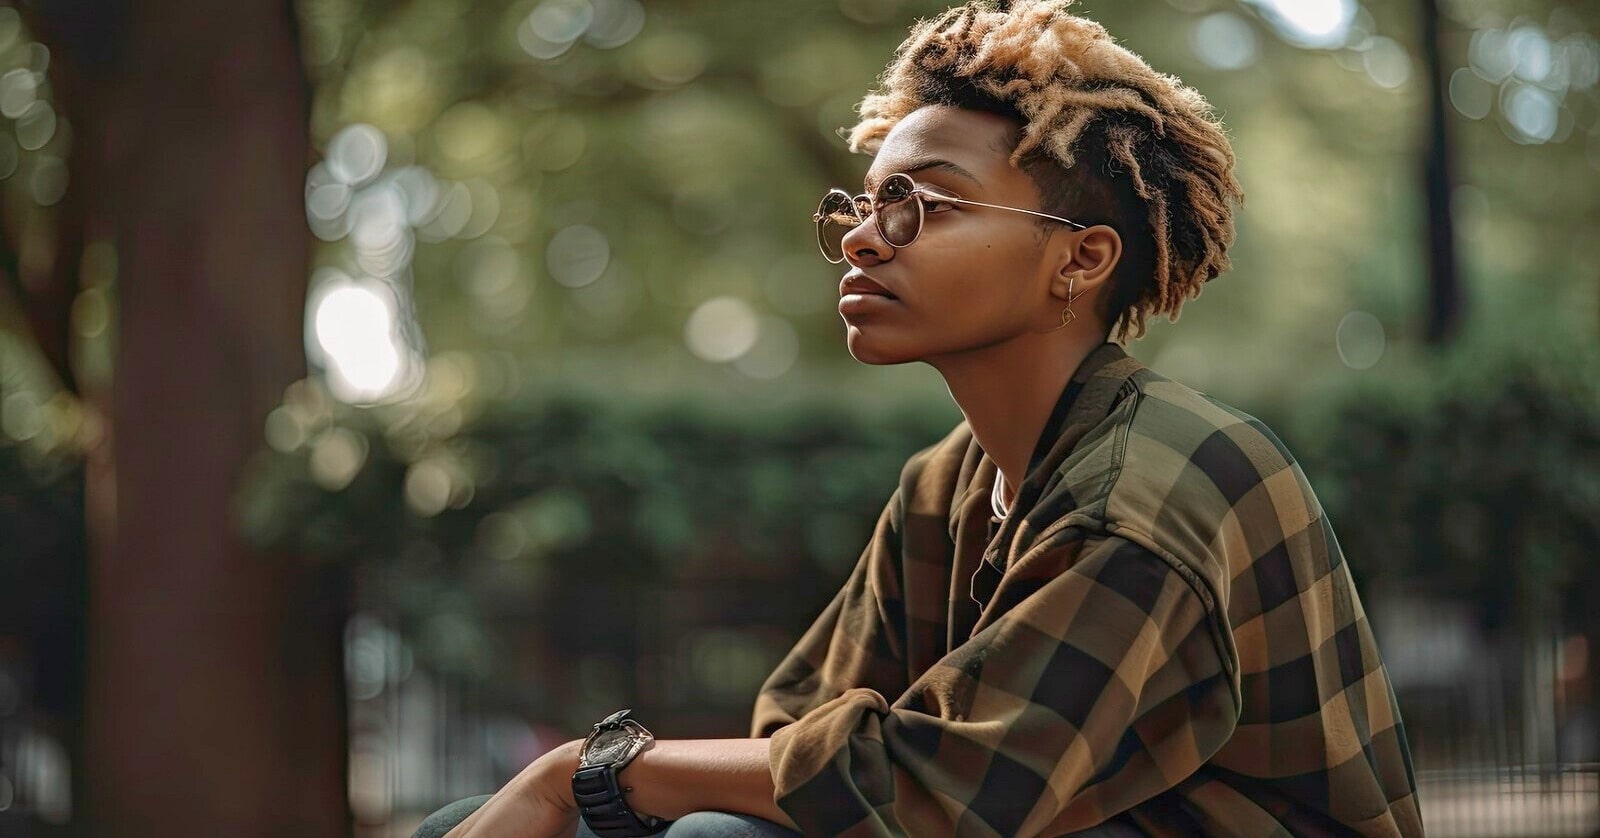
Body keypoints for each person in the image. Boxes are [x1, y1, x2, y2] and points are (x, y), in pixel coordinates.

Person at [416, 0, 1425, 835]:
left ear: (1079, 259)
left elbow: (935, 794)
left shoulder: (1143, 497)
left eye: (927, 206)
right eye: (864, 204)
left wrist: (578, 772)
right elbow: (795, 734)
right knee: (468, 820)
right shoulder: (945, 486)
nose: (865, 239)